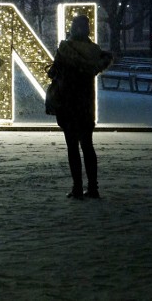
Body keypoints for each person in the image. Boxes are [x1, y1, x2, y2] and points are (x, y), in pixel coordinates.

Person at [48, 15, 112, 200]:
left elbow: (53, 71)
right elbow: (98, 66)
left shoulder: (65, 49)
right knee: (88, 145)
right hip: (85, 103)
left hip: (68, 101)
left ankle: (77, 188)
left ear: (73, 28)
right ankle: (93, 187)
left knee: (72, 146)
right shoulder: (94, 51)